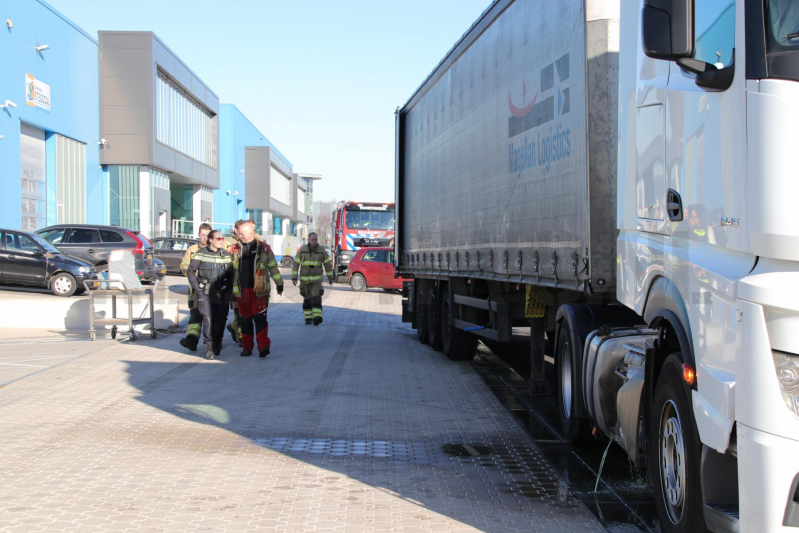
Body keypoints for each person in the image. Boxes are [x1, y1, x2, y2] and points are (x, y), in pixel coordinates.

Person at [228, 220, 283, 357]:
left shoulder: (264, 248)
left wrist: (279, 283)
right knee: (244, 320)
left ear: (250, 233)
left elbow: (273, 268)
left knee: (260, 319)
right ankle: (247, 347)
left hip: (259, 291)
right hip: (241, 292)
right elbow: (229, 271)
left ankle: (263, 345)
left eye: (241, 233)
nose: (239, 235)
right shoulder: (234, 249)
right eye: (238, 233)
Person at [186, 230, 234, 360]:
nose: (221, 240)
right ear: (210, 240)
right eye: (218, 239)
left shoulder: (225, 254)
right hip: (205, 291)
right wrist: (197, 287)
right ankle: (209, 347)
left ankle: (218, 341)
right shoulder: (201, 253)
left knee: (221, 319)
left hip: (220, 292)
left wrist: (228, 290)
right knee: (208, 319)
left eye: (222, 238)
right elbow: (190, 271)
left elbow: (231, 275)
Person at [179, 223, 212, 352]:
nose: (205, 238)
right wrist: (194, 274)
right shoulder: (192, 250)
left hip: (211, 290)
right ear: (199, 234)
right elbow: (184, 266)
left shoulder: (214, 249)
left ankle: (212, 343)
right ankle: (191, 340)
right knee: (194, 316)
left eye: (207, 235)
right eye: (202, 235)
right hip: (195, 290)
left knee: (209, 317)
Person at [292, 232, 334, 325]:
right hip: (305, 281)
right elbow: (295, 264)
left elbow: (327, 265)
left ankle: (317, 317)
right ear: (308, 240)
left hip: (317, 282)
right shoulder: (302, 250)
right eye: (312, 240)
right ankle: (308, 318)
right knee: (307, 299)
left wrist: (330, 277)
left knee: (316, 298)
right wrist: (294, 278)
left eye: (315, 240)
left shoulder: (322, 250)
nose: (314, 242)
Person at [223, 220, 249, 346]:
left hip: (248, 284)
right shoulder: (227, 243)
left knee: (248, 313)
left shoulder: (249, 241)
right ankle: (241, 338)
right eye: (240, 231)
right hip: (233, 285)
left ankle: (233, 327)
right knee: (239, 313)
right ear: (235, 230)